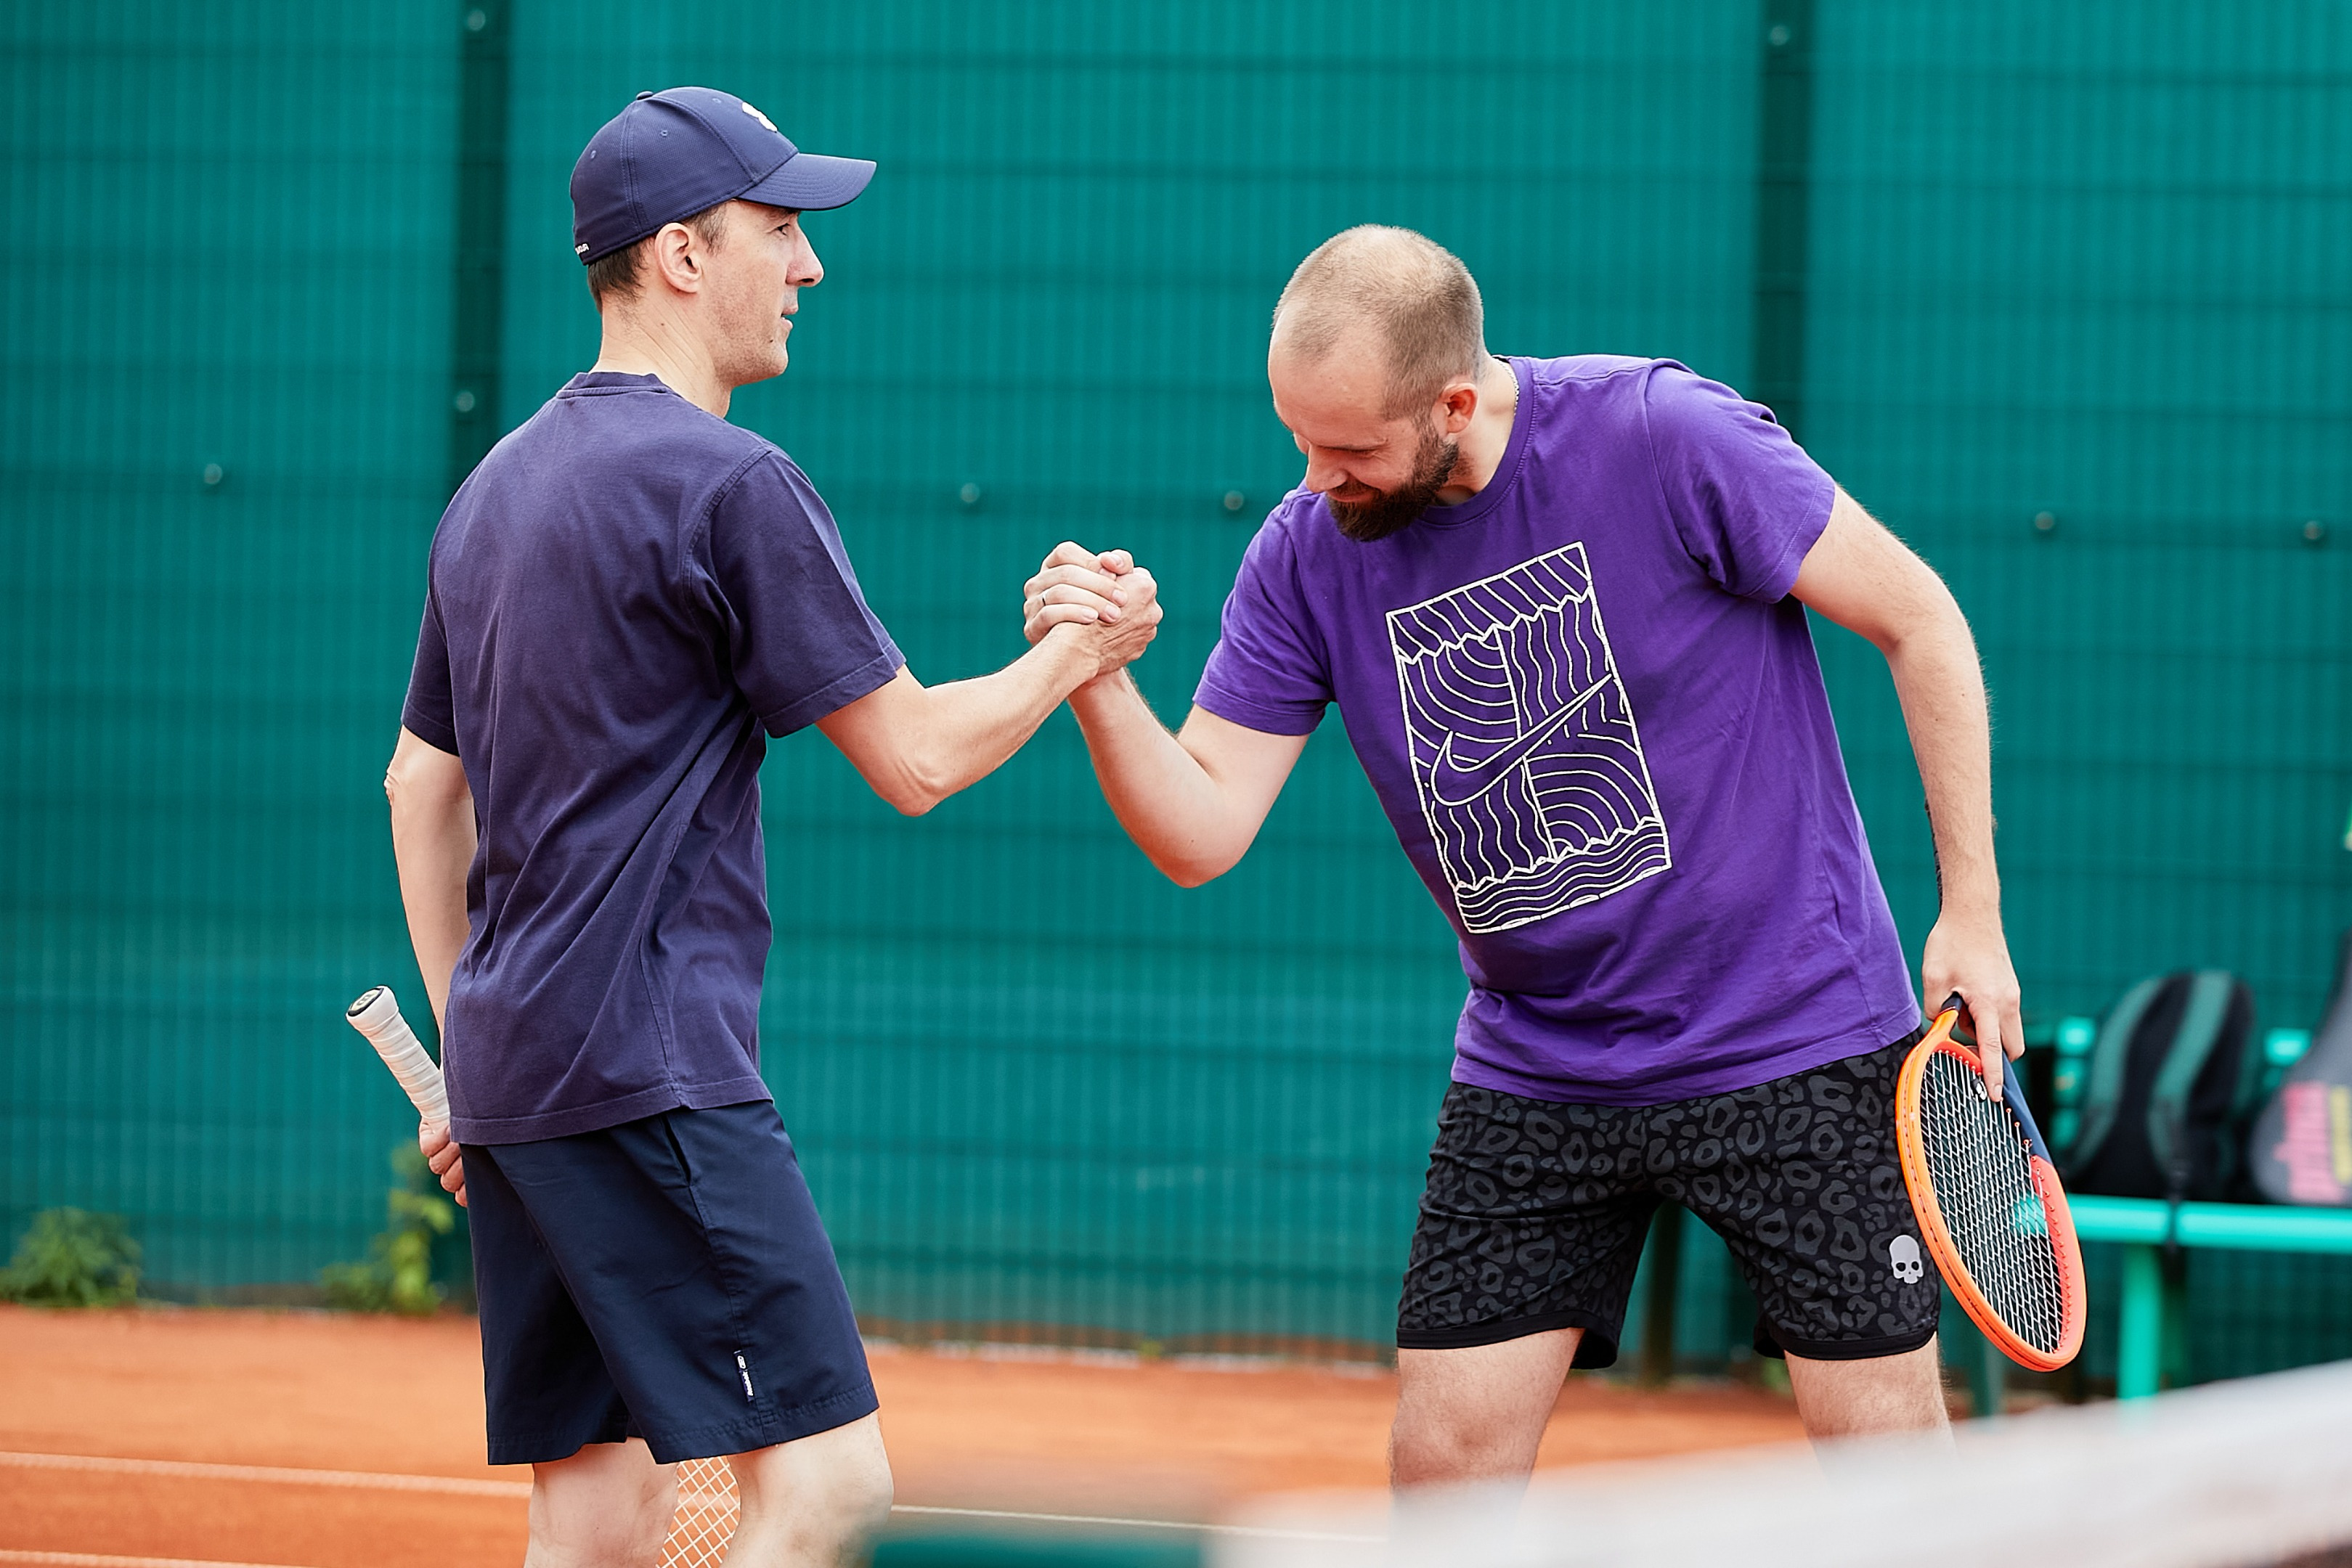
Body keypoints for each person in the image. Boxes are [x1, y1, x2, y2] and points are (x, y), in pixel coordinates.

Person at [1020, 225, 2020, 1485]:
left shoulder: (1664, 437)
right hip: (1541, 1061)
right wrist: (1099, 682)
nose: (1319, 477)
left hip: (1795, 1033)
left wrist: (1970, 913)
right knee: (1444, 1466)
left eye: (1353, 450)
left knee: (1887, 1479)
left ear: (1453, 401)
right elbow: (1202, 832)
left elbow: (1920, 619)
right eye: (1299, 441)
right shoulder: (1304, 551)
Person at [386, 87, 1158, 1567]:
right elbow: (918, 760)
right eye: (782, 231)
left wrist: (465, 1050)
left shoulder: (489, 493)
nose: (810, 267)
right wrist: (1080, 649)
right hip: (653, 1074)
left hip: (524, 1076)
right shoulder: (731, 483)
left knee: (596, 1517)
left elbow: (420, 789)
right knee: (829, 1497)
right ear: (682, 253)